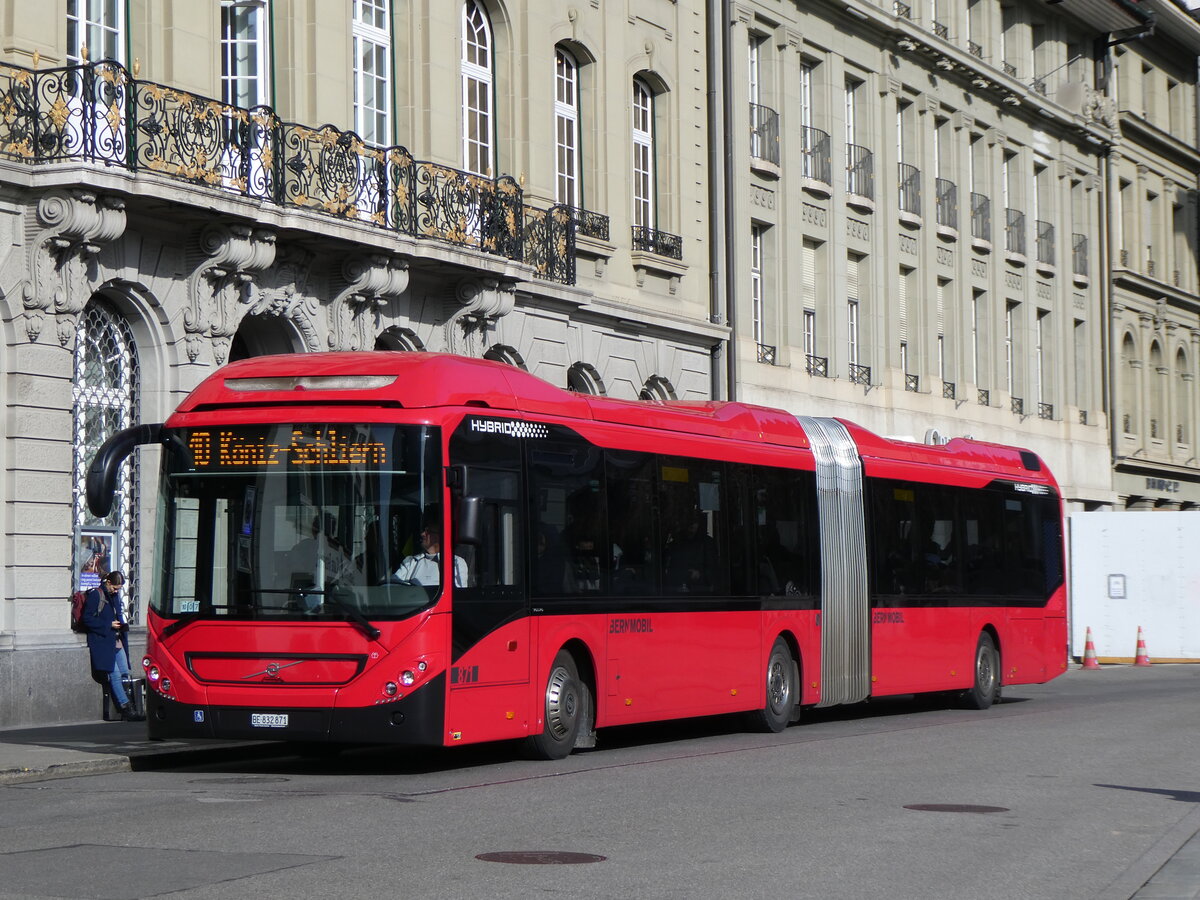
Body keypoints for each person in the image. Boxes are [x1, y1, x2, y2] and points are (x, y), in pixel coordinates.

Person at [80, 570, 144, 722]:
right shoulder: (97, 594)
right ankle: (126, 708)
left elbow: (116, 615)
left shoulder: (114, 596)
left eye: (119, 588)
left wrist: (121, 626)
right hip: (102, 641)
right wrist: (108, 625)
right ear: (107, 582)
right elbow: (87, 619)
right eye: (115, 587)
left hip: (116, 640)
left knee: (124, 672)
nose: (116, 591)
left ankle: (131, 706)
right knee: (114, 674)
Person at [393, 519, 467, 587]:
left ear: (439, 536)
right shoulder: (411, 561)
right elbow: (392, 585)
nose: (422, 534)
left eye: (427, 531)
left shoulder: (456, 562)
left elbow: (458, 594)